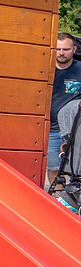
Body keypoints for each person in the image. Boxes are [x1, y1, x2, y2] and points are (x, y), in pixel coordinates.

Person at [49, 32, 81, 180]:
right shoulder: (44, 71)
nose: (61, 53)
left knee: (76, 171)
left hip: (76, 131)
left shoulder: (80, 69)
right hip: (52, 129)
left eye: (66, 49)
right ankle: (58, 202)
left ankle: (74, 201)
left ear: (74, 49)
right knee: (54, 170)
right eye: (58, 49)